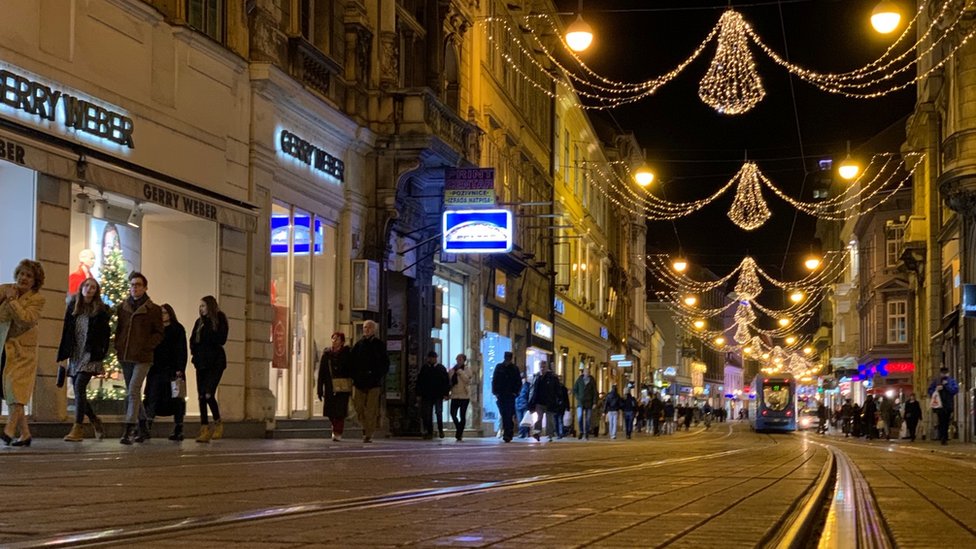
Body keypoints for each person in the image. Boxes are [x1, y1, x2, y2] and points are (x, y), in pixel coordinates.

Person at [57, 278, 110, 442]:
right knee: (79, 392)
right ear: (81, 288)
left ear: (96, 291)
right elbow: (66, 331)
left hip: (90, 355)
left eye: (93, 287)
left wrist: (101, 353)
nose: (89, 289)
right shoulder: (73, 307)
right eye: (87, 286)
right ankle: (94, 419)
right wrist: (62, 356)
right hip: (75, 354)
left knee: (79, 386)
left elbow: (105, 336)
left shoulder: (100, 311)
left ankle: (78, 428)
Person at [115, 271, 164, 445]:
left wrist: (147, 346)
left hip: (143, 357)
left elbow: (159, 333)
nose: (134, 288)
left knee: (133, 390)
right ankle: (143, 426)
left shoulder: (153, 309)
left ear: (145, 288)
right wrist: (118, 346)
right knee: (133, 392)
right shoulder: (123, 307)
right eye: (132, 285)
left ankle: (129, 429)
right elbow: (119, 329)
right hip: (126, 356)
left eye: (138, 285)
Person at [0, 260, 46, 447]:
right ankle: (25, 434)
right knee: (10, 390)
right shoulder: (5, 289)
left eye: (29, 276)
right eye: (21, 274)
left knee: (15, 389)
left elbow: (26, 320)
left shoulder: (37, 299)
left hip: (23, 352)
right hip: (4, 347)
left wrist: (12, 301)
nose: (23, 278)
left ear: (35, 281)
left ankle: (9, 430)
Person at [144, 303, 188, 441]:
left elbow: (182, 350)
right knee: (152, 397)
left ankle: (178, 428)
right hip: (156, 368)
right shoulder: (155, 330)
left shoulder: (178, 329)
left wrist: (180, 368)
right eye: (160, 313)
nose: (162, 315)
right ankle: (147, 427)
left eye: (164, 312)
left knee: (177, 399)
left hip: (173, 370)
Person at [190, 296, 229, 443]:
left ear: (210, 306)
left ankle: (218, 422)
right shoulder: (199, 323)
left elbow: (221, 339)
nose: (201, 309)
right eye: (200, 306)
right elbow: (193, 340)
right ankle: (204, 427)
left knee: (208, 394)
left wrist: (209, 333)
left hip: (215, 362)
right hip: (201, 362)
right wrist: (194, 353)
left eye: (204, 306)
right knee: (201, 396)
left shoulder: (219, 319)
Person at [350, 320, 389, 443]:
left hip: (374, 383)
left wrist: (378, 375)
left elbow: (385, 363)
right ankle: (364, 426)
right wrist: (354, 376)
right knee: (358, 406)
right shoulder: (359, 344)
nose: (365, 329)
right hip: (359, 382)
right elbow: (352, 362)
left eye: (368, 327)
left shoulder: (379, 345)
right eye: (364, 327)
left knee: (371, 409)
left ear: (373, 329)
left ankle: (368, 433)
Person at [317, 332, 352, 441]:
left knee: (340, 411)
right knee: (330, 411)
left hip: (343, 386)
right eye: (333, 338)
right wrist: (319, 389)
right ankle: (334, 425)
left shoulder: (347, 353)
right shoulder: (327, 355)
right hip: (329, 386)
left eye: (337, 339)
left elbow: (351, 368)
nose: (334, 341)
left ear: (342, 341)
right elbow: (321, 372)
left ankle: (337, 432)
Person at [416, 351, 450, 439]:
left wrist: (446, 393)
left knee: (438, 412)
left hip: (438, 395)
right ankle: (429, 431)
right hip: (427, 394)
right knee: (427, 413)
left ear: (435, 358)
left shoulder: (441, 368)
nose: (430, 359)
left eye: (432, 358)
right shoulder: (425, 368)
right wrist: (419, 393)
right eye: (429, 358)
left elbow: (446, 381)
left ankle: (440, 429)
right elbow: (420, 381)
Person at [491, 351, 521, 442]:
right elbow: (495, 379)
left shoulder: (514, 368)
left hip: (510, 395)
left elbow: (518, 381)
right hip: (501, 394)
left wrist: (515, 392)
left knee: (508, 414)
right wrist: (495, 392)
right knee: (503, 413)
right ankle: (507, 431)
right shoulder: (499, 367)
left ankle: (508, 433)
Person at [528, 361, 559, 442]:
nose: (542, 368)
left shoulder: (552, 377)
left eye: (544, 367)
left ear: (547, 367)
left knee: (550, 419)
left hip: (550, 402)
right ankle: (537, 432)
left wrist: (557, 400)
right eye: (541, 367)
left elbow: (557, 389)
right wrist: (531, 401)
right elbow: (532, 389)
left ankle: (550, 435)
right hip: (539, 402)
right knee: (539, 417)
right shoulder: (536, 377)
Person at [928, 366, 959, 445]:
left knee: (946, 421)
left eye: (945, 373)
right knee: (941, 421)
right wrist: (936, 389)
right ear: (940, 373)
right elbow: (930, 390)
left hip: (948, 404)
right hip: (939, 404)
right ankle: (942, 437)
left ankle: (944, 437)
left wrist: (946, 385)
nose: (944, 375)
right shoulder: (936, 381)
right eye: (943, 373)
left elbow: (955, 390)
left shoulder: (951, 381)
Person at [448, 353, 472, 441]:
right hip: (454, 395)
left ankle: (459, 433)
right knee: (453, 414)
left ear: (463, 360)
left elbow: (467, 380)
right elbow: (450, 381)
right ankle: (458, 428)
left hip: (464, 396)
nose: (458, 361)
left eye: (460, 359)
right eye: (457, 359)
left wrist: (459, 371)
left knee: (462, 415)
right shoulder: (452, 370)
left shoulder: (467, 369)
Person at [573, 367, 596, 440]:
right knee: (580, 417)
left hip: (589, 402)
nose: (587, 373)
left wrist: (594, 402)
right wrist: (578, 397)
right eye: (586, 372)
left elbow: (595, 392)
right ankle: (581, 431)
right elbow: (575, 389)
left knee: (588, 419)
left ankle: (586, 433)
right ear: (583, 373)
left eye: (588, 372)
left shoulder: (592, 380)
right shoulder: (579, 380)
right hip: (580, 402)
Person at [515, 373, 531, 439]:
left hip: (525, 405)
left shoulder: (528, 386)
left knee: (524, 420)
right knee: (520, 420)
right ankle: (523, 433)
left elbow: (529, 395)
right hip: (518, 405)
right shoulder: (517, 385)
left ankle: (523, 433)